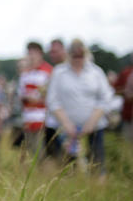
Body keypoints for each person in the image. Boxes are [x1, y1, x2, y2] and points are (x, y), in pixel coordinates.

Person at [47, 38, 114, 176]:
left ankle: (97, 187)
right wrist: (67, 124)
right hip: (67, 130)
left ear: (86, 54)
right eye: (74, 55)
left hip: (94, 128)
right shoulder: (59, 72)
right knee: (67, 168)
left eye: (81, 55)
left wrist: (92, 122)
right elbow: (52, 100)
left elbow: (106, 98)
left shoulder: (96, 72)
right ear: (69, 55)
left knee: (97, 164)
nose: (78, 59)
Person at [18, 41, 52, 157]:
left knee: (40, 153)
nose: (31, 56)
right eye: (29, 53)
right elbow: (21, 94)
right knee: (29, 153)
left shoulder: (47, 71)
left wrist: (36, 99)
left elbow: (51, 96)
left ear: (40, 53)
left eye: (33, 53)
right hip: (28, 120)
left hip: (43, 119)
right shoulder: (25, 73)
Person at [44, 37, 69, 159]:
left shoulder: (70, 70)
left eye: (55, 51)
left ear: (64, 50)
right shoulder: (55, 70)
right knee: (53, 157)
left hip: (67, 123)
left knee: (68, 158)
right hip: (52, 122)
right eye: (51, 52)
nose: (52, 54)